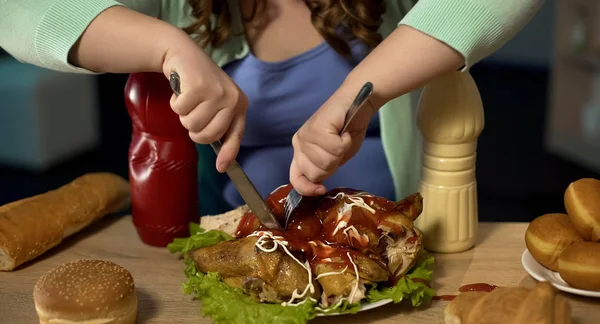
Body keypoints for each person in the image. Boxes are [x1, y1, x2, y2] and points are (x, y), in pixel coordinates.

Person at [0, 0, 543, 212]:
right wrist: (166, 45)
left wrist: (362, 89)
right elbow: (17, 13)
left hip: (399, 234)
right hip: (237, 245)